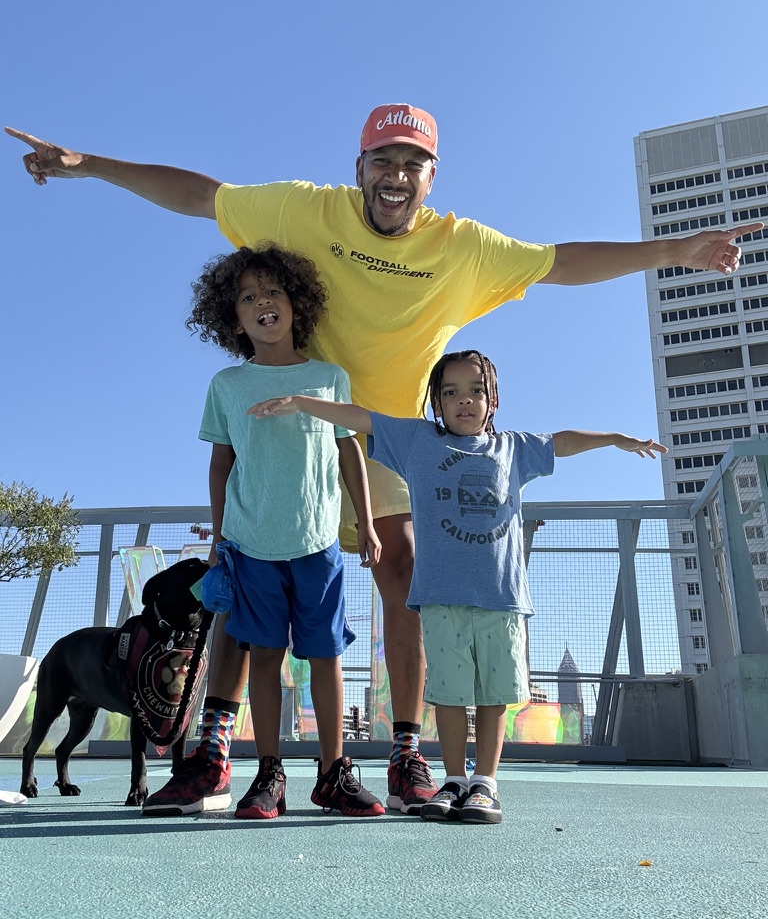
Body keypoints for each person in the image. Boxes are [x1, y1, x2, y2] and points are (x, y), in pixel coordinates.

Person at [5, 108, 760, 816]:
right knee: (239, 585)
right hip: (293, 429)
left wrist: (672, 251)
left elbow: (561, 261)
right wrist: (88, 164)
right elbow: (204, 196)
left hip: (390, 438)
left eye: (414, 163)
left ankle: (404, 755)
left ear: (430, 178)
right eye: (383, 160)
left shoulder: (462, 246)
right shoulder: (306, 209)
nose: (396, 174)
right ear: (360, 165)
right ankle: (212, 752)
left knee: (399, 569)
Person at [248, 349, 668, 824]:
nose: (464, 401)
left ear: (493, 399)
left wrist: (616, 439)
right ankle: (453, 779)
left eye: (476, 391)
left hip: (501, 600)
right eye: (450, 392)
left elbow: (563, 441)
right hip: (441, 600)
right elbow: (362, 418)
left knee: (492, 696)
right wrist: (304, 402)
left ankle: (484, 784)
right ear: (436, 402)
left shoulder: (514, 448)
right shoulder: (418, 442)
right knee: (448, 694)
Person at [143, 242, 384, 819]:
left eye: (273, 291)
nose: (262, 302)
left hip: (319, 544)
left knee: (325, 658)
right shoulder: (226, 385)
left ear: (297, 302)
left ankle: (333, 773)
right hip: (251, 547)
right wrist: (222, 533)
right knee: (266, 661)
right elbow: (221, 462)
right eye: (248, 297)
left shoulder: (329, 377)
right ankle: (269, 775)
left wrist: (367, 524)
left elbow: (350, 455)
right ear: (233, 317)